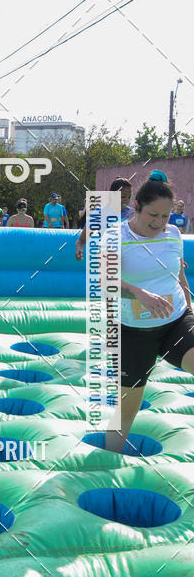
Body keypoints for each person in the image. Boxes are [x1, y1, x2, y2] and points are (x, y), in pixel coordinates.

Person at [104, 171, 194, 453]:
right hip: (132, 330)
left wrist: (190, 309)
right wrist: (140, 293)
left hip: (176, 321)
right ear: (136, 207)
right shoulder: (115, 236)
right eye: (153, 215)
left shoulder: (174, 234)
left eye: (165, 216)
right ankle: (107, 462)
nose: (159, 222)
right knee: (127, 409)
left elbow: (179, 276)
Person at [75, 178, 133, 261]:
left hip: (129, 260)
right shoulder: (99, 213)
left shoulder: (132, 214)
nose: (126, 200)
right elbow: (81, 240)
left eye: (129, 197)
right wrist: (79, 249)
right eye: (123, 197)